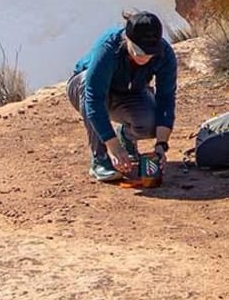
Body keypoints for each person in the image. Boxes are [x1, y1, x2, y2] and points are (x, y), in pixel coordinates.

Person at [68, 10, 177, 183]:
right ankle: (100, 158)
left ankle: (126, 137)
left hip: (129, 92)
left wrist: (161, 145)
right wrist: (112, 147)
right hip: (85, 90)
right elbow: (93, 98)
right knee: (86, 85)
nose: (145, 57)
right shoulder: (109, 47)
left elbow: (166, 99)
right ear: (128, 38)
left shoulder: (165, 54)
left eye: (150, 52)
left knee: (151, 124)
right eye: (139, 51)